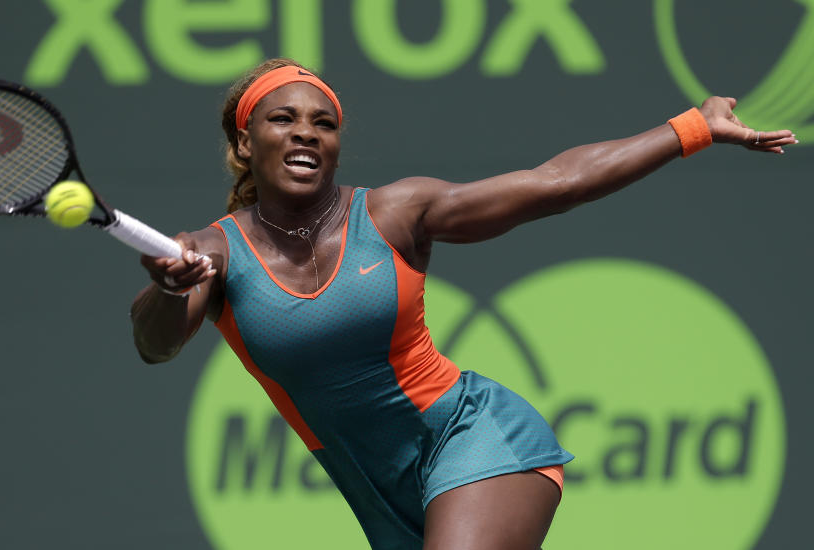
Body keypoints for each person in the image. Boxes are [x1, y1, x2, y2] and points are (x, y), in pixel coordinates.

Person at [129, 58, 795, 550]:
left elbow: (554, 183)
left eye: (323, 124)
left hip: (475, 438)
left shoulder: (394, 212)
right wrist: (168, 287)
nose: (307, 134)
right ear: (245, 144)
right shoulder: (206, 253)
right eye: (283, 119)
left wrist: (693, 127)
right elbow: (154, 344)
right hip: (381, 494)